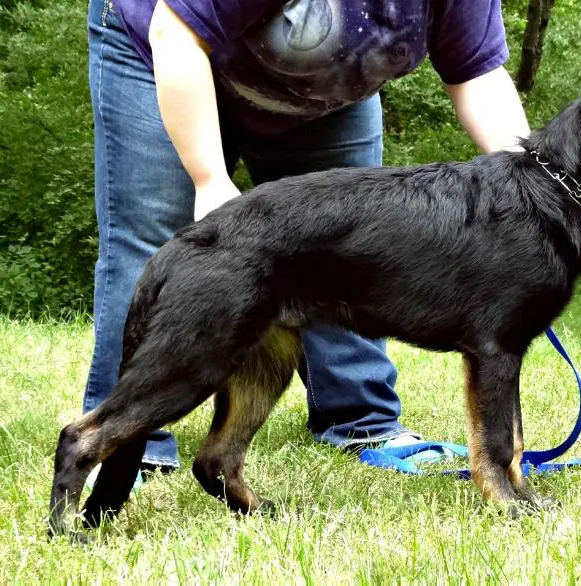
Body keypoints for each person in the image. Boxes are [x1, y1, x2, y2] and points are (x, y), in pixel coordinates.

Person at [83, 0, 531, 480]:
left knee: (354, 246)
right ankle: (125, 442)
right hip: (169, 47)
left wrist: (533, 194)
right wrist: (209, 179)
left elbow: (477, 74)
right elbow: (176, 33)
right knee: (156, 235)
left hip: (326, 84)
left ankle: (361, 422)